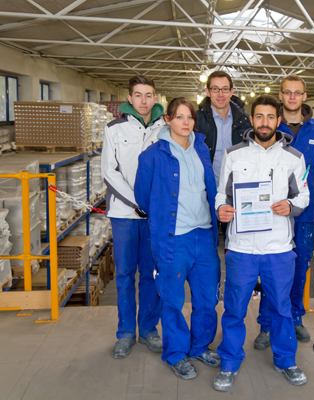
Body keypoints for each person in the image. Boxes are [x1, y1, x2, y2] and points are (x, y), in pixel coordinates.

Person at [213, 95, 310, 392]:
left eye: (270, 117)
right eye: (259, 117)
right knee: (234, 309)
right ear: (251, 120)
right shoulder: (234, 154)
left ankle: (286, 360)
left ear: (278, 121)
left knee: (281, 309)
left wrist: (290, 206)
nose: (264, 122)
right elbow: (222, 194)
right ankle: (229, 363)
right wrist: (221, 209)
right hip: (241, 248)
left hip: (278, 248)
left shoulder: (293, 157)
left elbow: (304, 196)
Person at [134, 98, 221, 379]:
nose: (186, 122)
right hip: (174, 238)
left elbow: (209, 187)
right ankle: (176, 354)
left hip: (204, 235)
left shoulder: (201, 148)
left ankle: (199, 346)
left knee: (207, 298)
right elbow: (142, 197)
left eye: (190, 117)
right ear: (168, 120)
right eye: (179, 117)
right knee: (172, 300)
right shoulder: (153, 155)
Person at [254, 75, 314, 349]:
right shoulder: (270, 124)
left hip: (305, 216)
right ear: (281, 95)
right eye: (288, 93)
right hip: (272, 212)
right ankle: (267, 323)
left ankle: (295, 318)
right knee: (269, 268)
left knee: (299, 269)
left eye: (298, 93)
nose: (293, 97)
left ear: (305, 96)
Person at [101, 75, 164, 359]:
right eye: (138, 95)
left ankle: (149, 329)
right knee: (125, 275)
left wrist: (154, 204)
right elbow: (109, 171)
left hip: (154, 216)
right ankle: (126, 332)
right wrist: (136, 201)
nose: (143, 100)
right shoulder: (113, 129)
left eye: (148, 95)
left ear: (155, 98)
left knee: (151, 274)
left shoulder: (165, 128)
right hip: (125, 215)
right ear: (129, 98)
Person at [196, 70, 252, 187]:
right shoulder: (196, 121)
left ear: (231, 92)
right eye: (215, 89)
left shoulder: (247, 122)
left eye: (225, 89)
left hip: (238, 189)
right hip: (207, 190)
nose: (220, 94)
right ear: (208, 92)